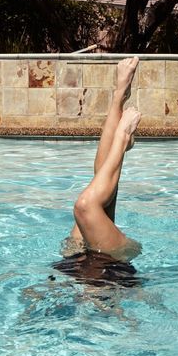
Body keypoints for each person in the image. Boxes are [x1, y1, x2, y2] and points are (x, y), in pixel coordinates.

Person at [53, 57, 143, 292]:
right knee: (89, 205)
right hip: (112, 263)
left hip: (77, 261)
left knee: (93, 195)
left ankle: (119, 101)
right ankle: (121, 136)